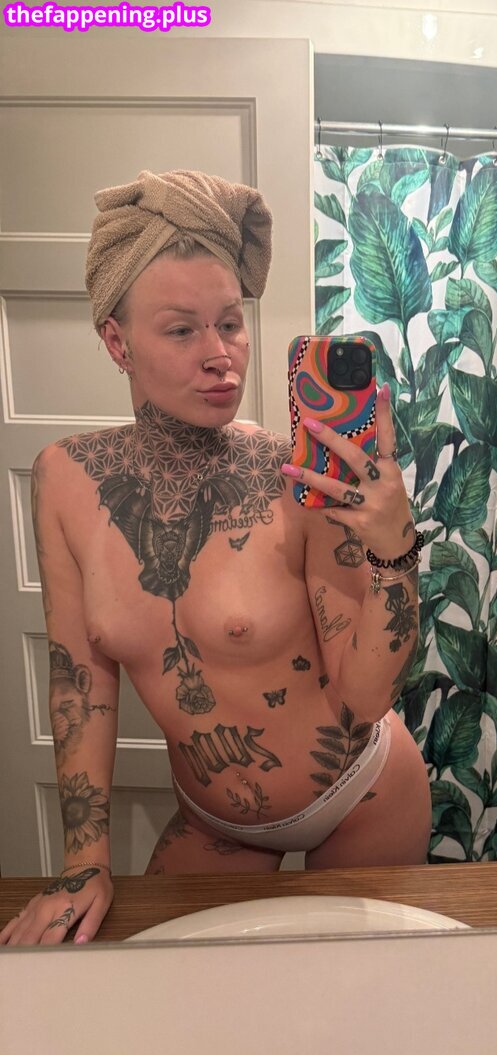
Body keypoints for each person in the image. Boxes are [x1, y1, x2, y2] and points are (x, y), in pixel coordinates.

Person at [0, 170, 431, 948]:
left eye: (230, 324)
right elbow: (80, 682)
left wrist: (394, 551)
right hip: (215, 824)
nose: (220, 356)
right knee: (159, 992)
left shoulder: (290, 475)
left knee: (356, 1007)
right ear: (116, 341)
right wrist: (83, 863)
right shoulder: (64, 480)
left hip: (360, 796)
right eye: (181, 331)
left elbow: (366, 695)